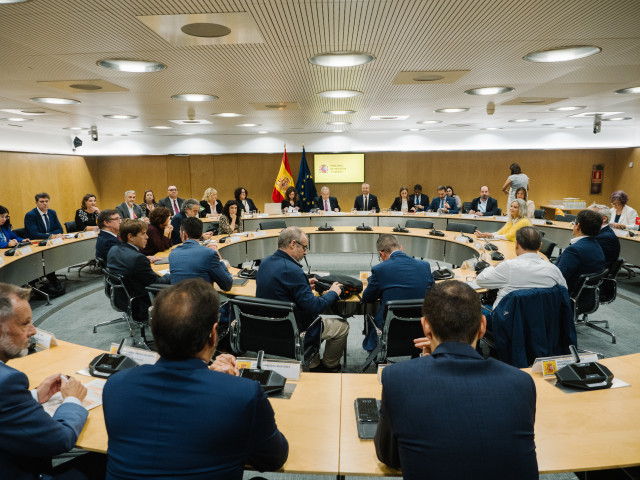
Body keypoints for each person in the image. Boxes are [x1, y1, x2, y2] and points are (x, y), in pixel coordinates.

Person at [103, 279, 289, 480]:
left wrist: (217, 383)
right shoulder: (244, 395)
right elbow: (274, 458)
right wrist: (228, 388)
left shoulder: (115, 385)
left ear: (155, 334)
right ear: (213, 334)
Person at [374, 280, 538, 480]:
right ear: (482, 326)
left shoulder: (398, 378)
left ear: (425, 326)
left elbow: (389, 457)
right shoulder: (521, 382)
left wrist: (424, 365)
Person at [0, 282, 106, 480]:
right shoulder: (8, 382)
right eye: (24, 323)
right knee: (111, 461)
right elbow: (59, 440)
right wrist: (72, 400)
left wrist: (33, 395)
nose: (33, 331)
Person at [256, 227, 349, 372]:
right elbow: (314, 307)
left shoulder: (265, 263)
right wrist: (332, 292)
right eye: (304, 247)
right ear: (293, 244)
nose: (305, 252)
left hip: (268, 327)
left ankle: (313, 363)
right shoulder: (293, 270)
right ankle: (329, 366)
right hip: (294, 329)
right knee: (342, 326)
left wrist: (304, 283)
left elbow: (281, 285)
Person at [362, 234, 435, 351]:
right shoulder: (424, 266)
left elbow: (367, 298)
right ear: (400, 248)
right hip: (420, 328)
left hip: (390, 329)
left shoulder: (379, 269)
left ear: (381, 253)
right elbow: (433, 292)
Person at [476, 227, 567, 316]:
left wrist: (493, 267)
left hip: (506, 322)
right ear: (540, 246)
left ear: (517, 244)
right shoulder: (553, 270)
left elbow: (480, 281)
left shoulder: (508, 267)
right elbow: (563, 292)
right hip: (542, 321)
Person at [106, 219, 170, 321]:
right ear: (130, 237)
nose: (147, 237)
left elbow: (129, 263)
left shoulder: (113, 250)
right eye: (143, 234)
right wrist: (171, 273)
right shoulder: (138, 259)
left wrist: (144, 258)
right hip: (141, 302)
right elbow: (156, 282)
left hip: (121, 298)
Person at [169, 217, 233, 290]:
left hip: (177, 299)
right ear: (201, 234)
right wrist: (220, 259)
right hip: (201, 300)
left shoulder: (173, 254)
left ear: (184, 234)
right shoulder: (209, 254)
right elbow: (227, 285)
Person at [556, 209, 606, 295]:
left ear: (578, 226)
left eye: (574, 223)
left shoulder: (574, 250)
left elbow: (558, 278)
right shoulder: (597, 245)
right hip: (586, 296)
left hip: (566, 295)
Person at [24, 193, 65, 293]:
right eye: (42, 202)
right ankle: (40, 280)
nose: (45, 204)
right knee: (47, 257)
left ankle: (52, 277)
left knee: (51, 257)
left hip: (50, 243)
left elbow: (60, 229)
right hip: (35, 245)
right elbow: (34, 234)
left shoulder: (52, 212)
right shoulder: (31, 215)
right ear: (36, 203)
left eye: (46, 201)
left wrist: (49, 234)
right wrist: (51, 235)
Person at [590, 203, 621, 270]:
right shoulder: (602, 232)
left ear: (604, 219)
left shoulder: (604, 238)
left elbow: (594, 261)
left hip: (596, 273)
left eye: (590, 215)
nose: (585, 218)